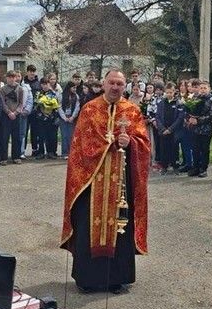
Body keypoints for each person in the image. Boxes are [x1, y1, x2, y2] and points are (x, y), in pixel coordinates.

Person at [60, 69, 150, 294]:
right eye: (112, 82)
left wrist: (130, 142)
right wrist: (109, 144)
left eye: (120, 83)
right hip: (91, 181)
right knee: (88, 227)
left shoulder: (132, 111)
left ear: (124, 86)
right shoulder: (90, 109)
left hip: (121, 182)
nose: (115, 87)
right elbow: (81, 145)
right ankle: (87, 279)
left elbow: (144, 143)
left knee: (120, 229)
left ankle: (117, 279)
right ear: (103, 83)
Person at [187, 80, 212, 178]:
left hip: (206, 130)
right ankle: (196, 168)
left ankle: (203, 169)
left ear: (209, 89)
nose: (203, 90)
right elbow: (189, 110)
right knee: (195, 149)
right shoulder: (195, 99)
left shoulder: (211, 100)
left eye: (205, 88)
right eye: (201, 88)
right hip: (195, 129)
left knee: (204, 150)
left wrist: (198, 120)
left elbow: (210, 116)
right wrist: (190, 118)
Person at [155, 82, 182, 174]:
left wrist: (170, 129)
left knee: (174, 149)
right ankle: (164, 166)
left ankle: (175, 166)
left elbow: (180, 118)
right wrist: (162, 129)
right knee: (164, 149)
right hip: (163, 130)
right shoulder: (161, 103)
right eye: (167, 92)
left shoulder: (179, 103)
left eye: (171, 92)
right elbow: (157, 117)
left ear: (174, 92)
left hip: (173, 131)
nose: (169, 94)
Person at [58, 80, 82, 157]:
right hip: (63, 118)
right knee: (64, 135)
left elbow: (77, 108)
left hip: (72, 117)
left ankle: (71, 152)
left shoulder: (76, 96)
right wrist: (64, 117)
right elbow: (59, 107)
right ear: (69, 88)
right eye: (73, 88)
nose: (75, 89)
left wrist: (72, 117)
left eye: (75, 88)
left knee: (71, 135)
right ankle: (64, 152)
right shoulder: (62, 95)